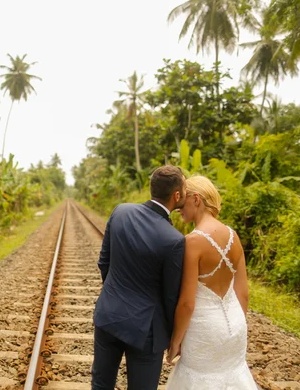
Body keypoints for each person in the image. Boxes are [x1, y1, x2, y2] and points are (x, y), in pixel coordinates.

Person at [92, 165, 187, 390]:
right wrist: (172, 337)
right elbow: (170, 295)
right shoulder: (174, 239)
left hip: (108, 314)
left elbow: (103, 262)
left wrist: (116, 294)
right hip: (146, 330)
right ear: (176, 196)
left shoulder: (121, 211)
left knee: (100, 385)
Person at [165, 175, 258, 389]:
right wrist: (235, 327)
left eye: (184, 200)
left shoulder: (193, 241)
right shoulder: (234, 237)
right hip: (235, 325)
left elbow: (187, 303)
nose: (179, 207)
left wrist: (175, 342)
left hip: (204, 330)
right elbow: (243, 293)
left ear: (196, 199)